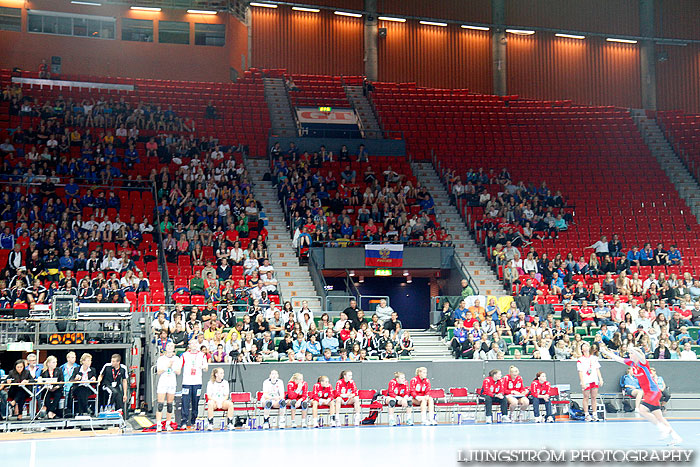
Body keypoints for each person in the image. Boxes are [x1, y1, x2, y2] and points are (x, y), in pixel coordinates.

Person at [602, 347, 682, 445]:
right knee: (659, 417)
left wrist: (634, 350)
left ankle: (662, 429)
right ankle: (676, 437)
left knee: (642, 410)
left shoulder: (643, 363)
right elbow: (618, 359)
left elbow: (641, 356)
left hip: (653, 391)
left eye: (631, 353)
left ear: (636, 354)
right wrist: (605, 351)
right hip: (648, 392)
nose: (629, 355)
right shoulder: (631, 364)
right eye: (629, 353)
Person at [181, 339, 208, 428]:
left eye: (195, 343)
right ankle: (184, 422)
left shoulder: (202, 355)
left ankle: (194, 421)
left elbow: (206, 368)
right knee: (185, 402)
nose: (194, 345)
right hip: (187, 382)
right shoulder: (184, 355)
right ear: (189, 345)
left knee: (195, 402)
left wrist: (202, 367)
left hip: (197, 382)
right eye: (192, 343)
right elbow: (178, 367)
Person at [155, 342, 182, 431]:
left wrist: (172, 367)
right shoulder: (161, 359)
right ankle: (159, 424)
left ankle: (168, 424)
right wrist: (167, 367)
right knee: (160, 404)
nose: (170, 347)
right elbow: (159, 371)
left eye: (172, 346)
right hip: (163, 383)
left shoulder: (177, 359)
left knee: (170, 405)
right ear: (166, 348)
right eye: (168, 346)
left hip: (172, 383)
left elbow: (178, 372)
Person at [577, 341, 603, 422]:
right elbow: (580, 372)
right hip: (586, 380)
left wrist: (600, 379)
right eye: (584, 346)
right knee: (586, 397)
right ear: (582, 349)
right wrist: (582, 382)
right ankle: (586, 414)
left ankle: (594, 414)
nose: (586, 347)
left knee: (594, 397)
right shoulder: (580, 360)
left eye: (587, 346)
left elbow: (597, 369)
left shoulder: (594, 358)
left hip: (594, 379)